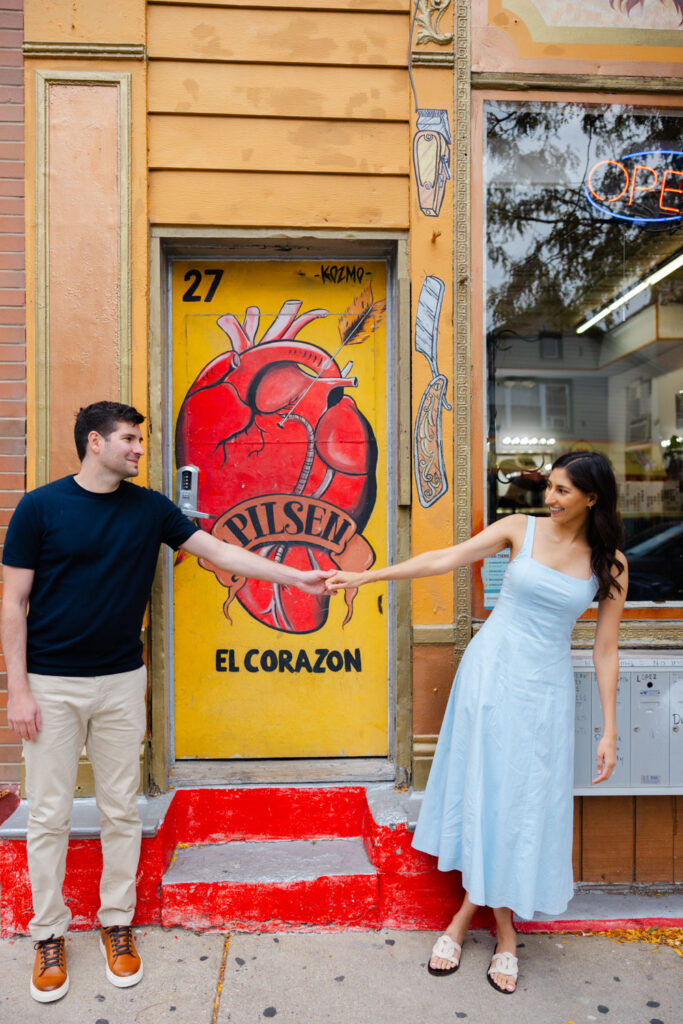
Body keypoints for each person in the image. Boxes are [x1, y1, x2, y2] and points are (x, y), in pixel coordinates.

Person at [1, 401, 332, 1004]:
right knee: (48, 814)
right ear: (95, 443)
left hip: (122, 680)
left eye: (138, 440)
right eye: (128, 439)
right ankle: (48, 933)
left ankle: (116, 922)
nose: (137, 449)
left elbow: (219, 552)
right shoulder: (40, 507)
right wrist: (17, 688)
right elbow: (12, 602)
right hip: (51, 684)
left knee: (120, 809)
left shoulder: (150, 507)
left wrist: (294, 577)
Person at [327, 451, 626, 994]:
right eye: (550, 488)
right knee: (487, 791)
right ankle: (502, 933)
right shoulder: (519, 528)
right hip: (491, 677)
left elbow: (607, 652)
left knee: (524, 801)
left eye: (562, 491)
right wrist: (368, 575)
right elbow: (445, 558)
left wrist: (609, 730)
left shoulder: (612, 564)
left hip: (546, 692)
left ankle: (474, 920)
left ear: (592, 498)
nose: (550, 499)